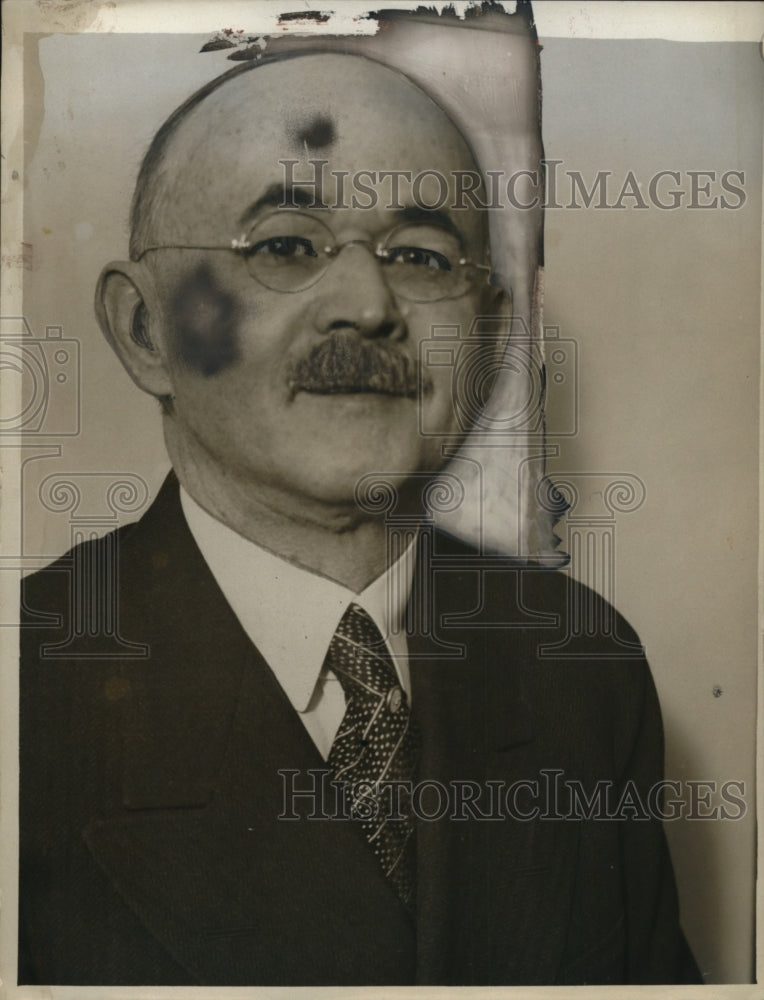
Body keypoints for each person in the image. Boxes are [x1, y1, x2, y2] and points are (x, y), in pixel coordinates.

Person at [18, 43, 700, 987]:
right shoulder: (28, 682)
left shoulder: (580, 665)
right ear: (146, 331)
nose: (369, 305)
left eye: (421, 257)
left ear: (493, 338)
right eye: (287, 245)